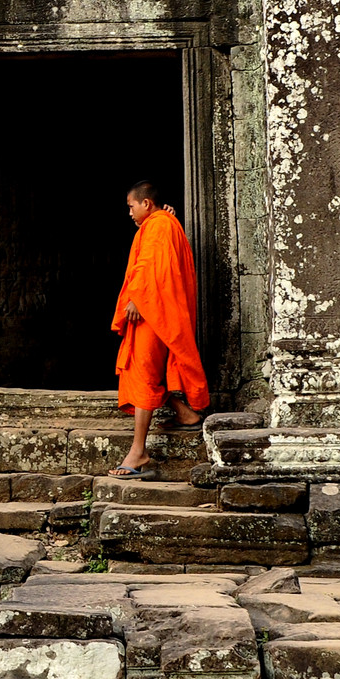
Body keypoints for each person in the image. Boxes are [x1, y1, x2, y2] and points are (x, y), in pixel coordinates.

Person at [109, 181, 209, 479]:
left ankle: (138, 452)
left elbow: (153, 266)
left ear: (146, 204)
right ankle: (185, 413)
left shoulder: (159, 225)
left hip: (151, 310)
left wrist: (138, 299)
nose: (129, 212)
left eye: (131, 206)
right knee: (148, 372)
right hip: (155, 308)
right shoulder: (161, 224)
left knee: (143, 373)